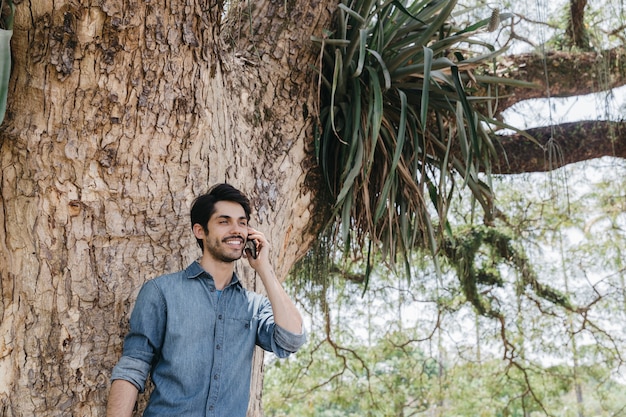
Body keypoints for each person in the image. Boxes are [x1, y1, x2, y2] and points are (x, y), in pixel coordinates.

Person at [106, 183, 306, 417]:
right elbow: (133, 366)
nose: (237, 230)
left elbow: (291, 341)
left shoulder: (254, 306)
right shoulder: (161, 292)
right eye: (224, 221)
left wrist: (264, 268)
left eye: (242, 222)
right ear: (199, 231)